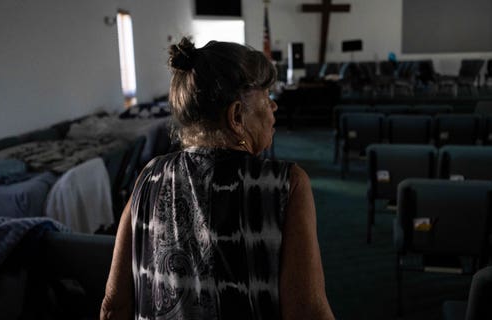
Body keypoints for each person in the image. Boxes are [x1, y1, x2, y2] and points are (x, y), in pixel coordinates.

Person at [100, 37, 334, 320]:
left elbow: (114, 306)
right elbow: (306, 312)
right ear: (236, 116)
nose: (273, 107)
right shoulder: (285, 184)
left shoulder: (148, 177)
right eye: (267, 96)